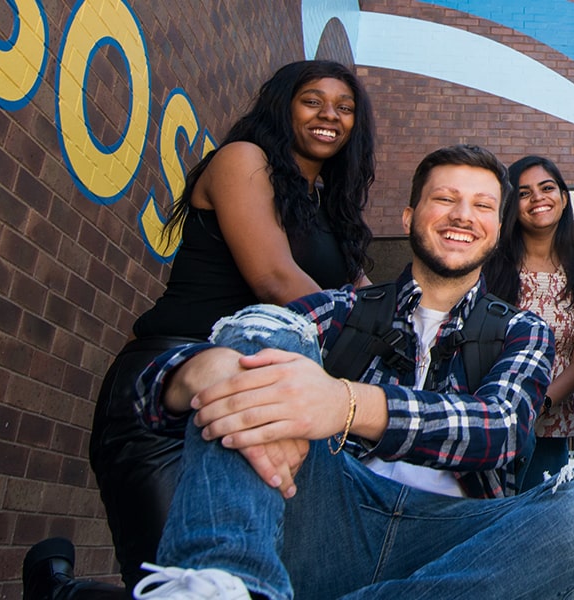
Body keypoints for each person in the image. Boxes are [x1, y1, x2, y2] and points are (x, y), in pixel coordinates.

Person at [125, 145, 574, 599]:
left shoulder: (522, 331)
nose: (463, 216)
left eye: (482, 206)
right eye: (445, 200)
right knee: (261, 330)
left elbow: (502, 430)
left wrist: (344, 405)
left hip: (456, 538)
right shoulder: (339, 309)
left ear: (496, 229)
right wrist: (199, 370)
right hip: (323, 513)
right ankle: (225, 577)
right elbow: (150, 396)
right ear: (408, 215)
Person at [84, 59, 376, 590]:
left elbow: (363, 306)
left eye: (345, 107)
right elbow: (273, 279)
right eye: (312, 100)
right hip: (172, 386)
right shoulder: (243, 160)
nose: (328, 115)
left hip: (261, 395)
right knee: (183, 581)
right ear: (283, 105)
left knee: (239, 584)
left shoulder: (333, 214)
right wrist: (368, 354)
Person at [484, 155, 574, 479]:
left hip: (550, 423)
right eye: (524, 192)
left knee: (542, 519)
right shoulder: (492, 266)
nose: (538, 198)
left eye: (547, 188)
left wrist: (538, 405)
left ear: (563, 198)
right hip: (494, 420)